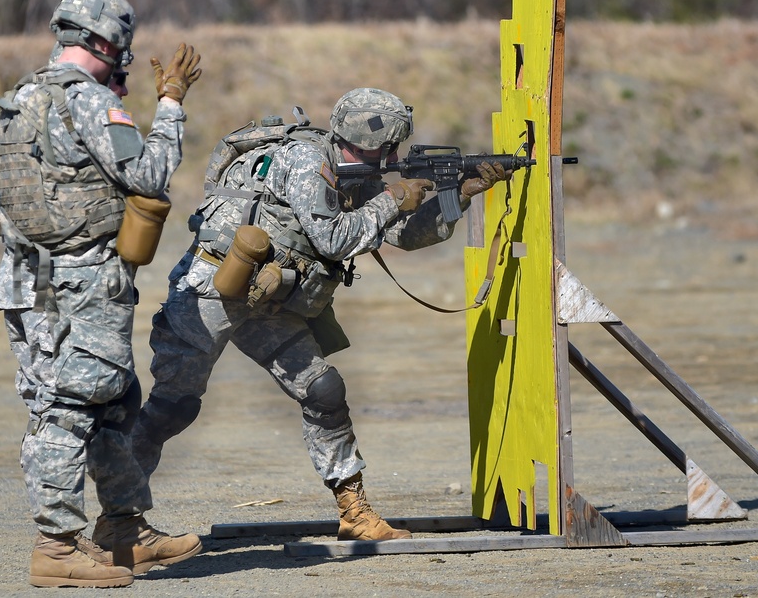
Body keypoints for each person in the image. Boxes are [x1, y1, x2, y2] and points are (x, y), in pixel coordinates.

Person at [103, 87, 511, 544]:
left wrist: (460, 196)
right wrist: (393, 198)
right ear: (368, 138)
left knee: (324, 390)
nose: (391, 155)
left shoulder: (361, 174)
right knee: (171, 408)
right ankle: (119, 521)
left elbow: (404, 235)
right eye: (387, 147)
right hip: (213, 288)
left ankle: (353, 510)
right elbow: (335, 239)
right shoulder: (305, 161)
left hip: (269, 298)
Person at [0, 0, 204, 587]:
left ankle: (122, 530)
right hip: (79, 279)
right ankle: (56, 548)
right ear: (107, 42)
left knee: (112, 400)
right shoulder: (86, 101)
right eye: (122, 49)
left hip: (30, 278)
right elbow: (151, 173)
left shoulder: (24, 97)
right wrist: (171, 105)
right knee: (69, 406)